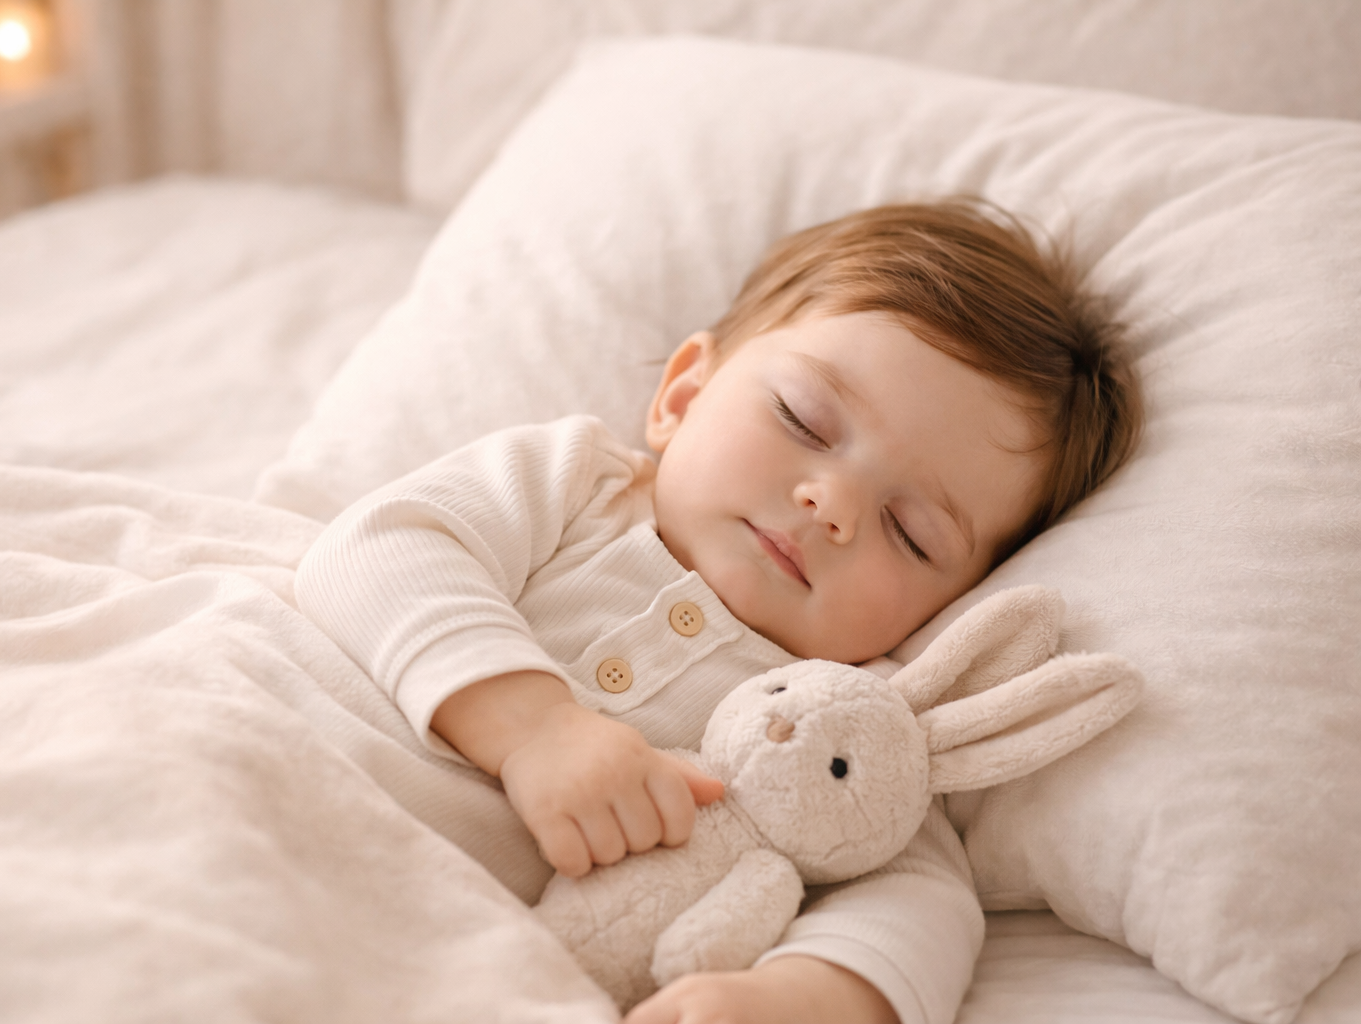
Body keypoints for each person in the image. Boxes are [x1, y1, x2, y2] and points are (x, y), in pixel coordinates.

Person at [295, 199, 1142, 1024]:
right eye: (803, 420)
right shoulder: (574, 487)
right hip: (285, 752)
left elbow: (919, 896)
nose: (831, 503)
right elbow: (375, 549)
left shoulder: (844, 722)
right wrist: (533, 727)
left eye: (910, 533)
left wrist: (812, 994)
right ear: (683, 396)